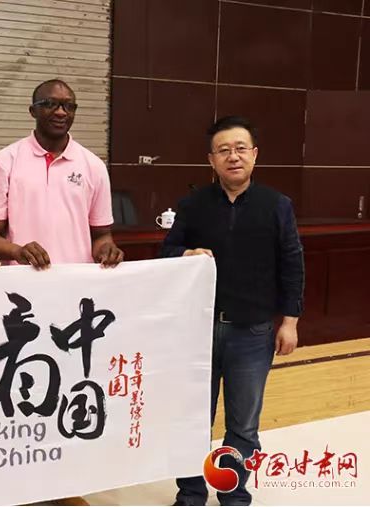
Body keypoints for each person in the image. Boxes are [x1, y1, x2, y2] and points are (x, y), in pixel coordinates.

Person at [161, 116, 304, 506]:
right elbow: (166, 251)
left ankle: (233, 494)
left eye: (241, 148)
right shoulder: (192, 204)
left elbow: (292, 264)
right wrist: (185, 253)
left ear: (254, 155)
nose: (233, 156)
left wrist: (289, 322)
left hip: (253, 332)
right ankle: (190, 494)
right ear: (211, 159)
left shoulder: (277, 205)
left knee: (243, 425)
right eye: (223, 150)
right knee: (193, 418)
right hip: (198, 331)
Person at [0, 78, 123, 268]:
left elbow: (102, 235)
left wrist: (107, 250)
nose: (61, 112)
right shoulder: (4, 161)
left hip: (76, 279)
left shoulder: (94, 166)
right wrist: (18, 252)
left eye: (68, 106)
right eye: (50, 104)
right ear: (33, 111)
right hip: (24, 278)